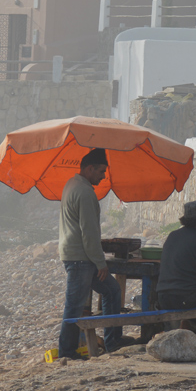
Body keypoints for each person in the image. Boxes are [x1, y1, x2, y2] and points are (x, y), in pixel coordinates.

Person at [58, 148, 125, 359]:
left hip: (78, 255)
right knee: (74, 307)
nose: (103, 176)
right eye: (101, 171)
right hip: (81, 259)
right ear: (89, 168)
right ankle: (67, 352)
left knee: (112, 291)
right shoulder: (85, 192)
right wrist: (100, 263)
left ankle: (113, 343)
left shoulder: (72, 184)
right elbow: (89, 233)